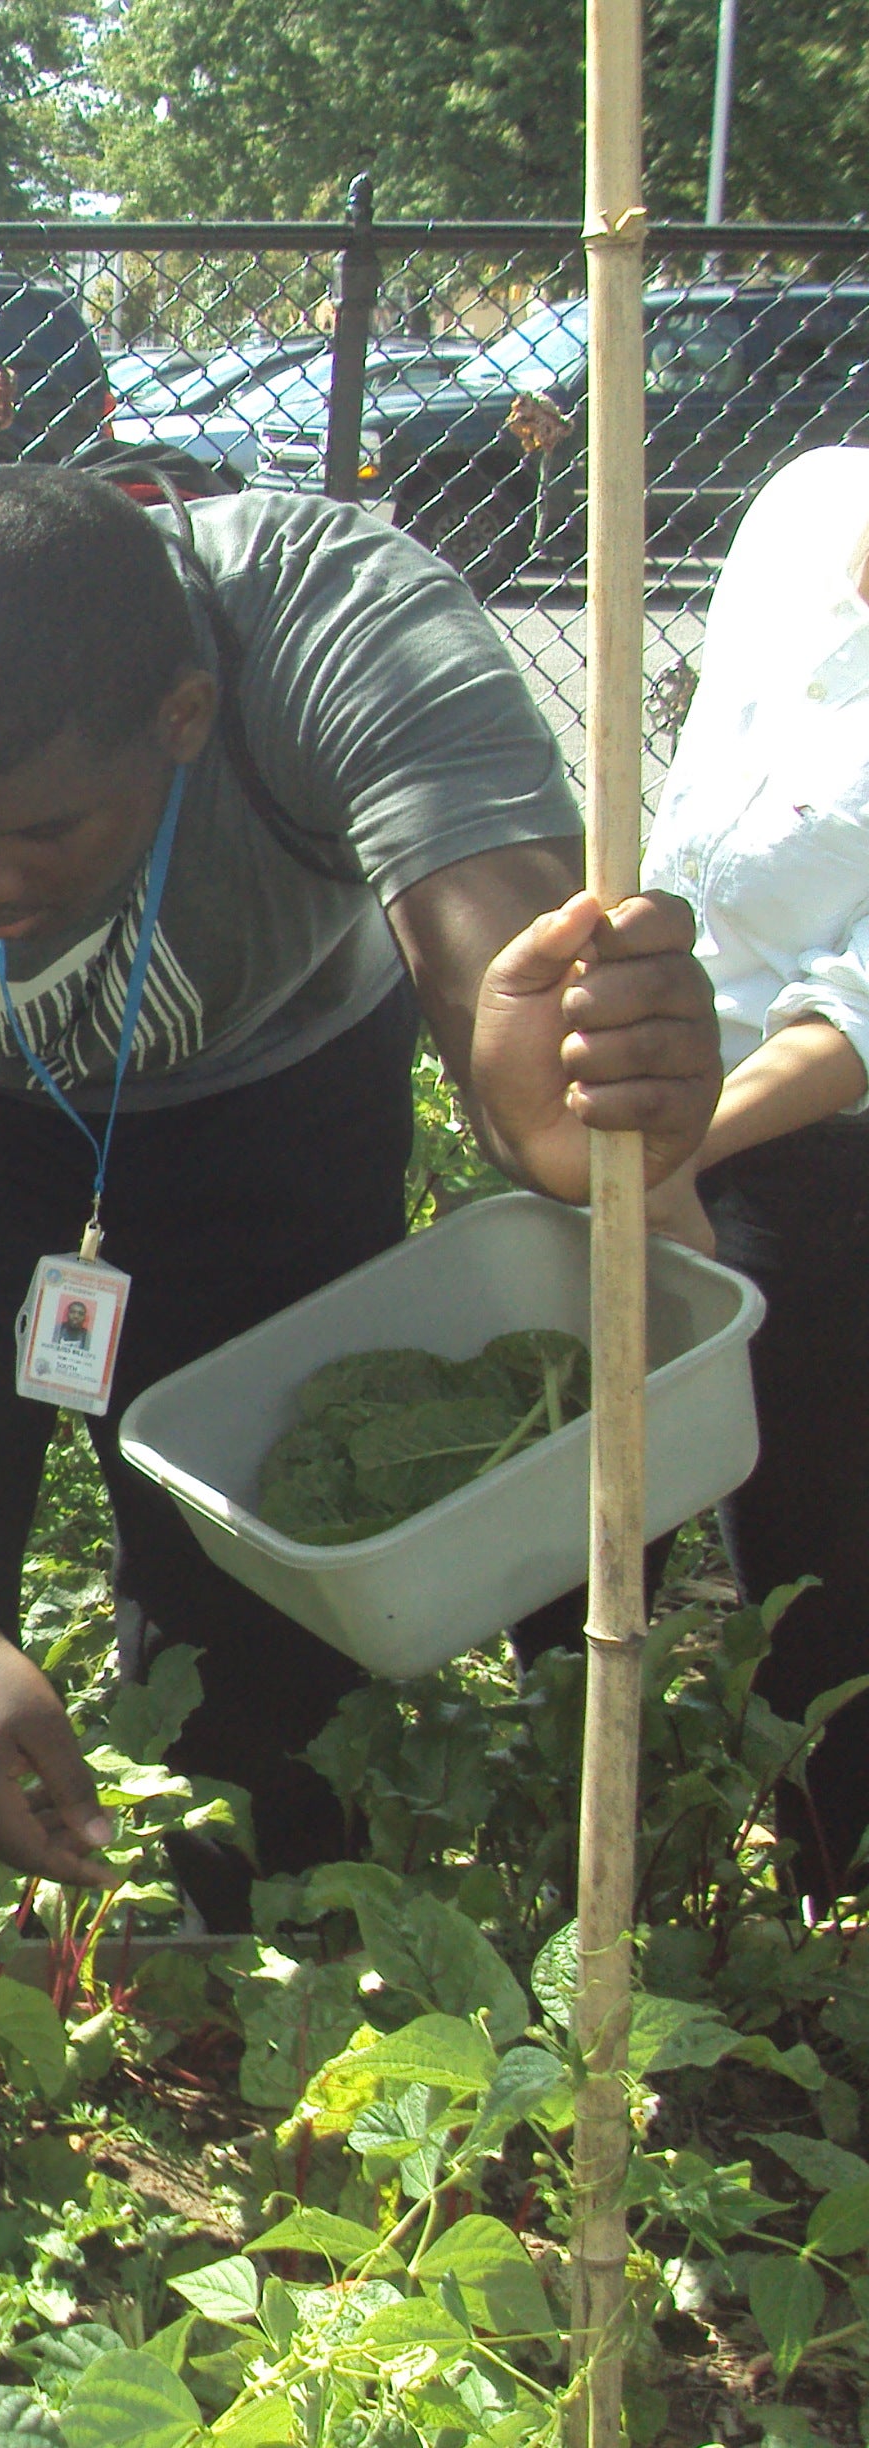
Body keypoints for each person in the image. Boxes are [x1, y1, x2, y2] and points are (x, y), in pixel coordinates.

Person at [0, 467, 721, 1927]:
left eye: (43, 832)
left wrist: (562, 1098)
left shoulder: (340, 627)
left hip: (274, 1091)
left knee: (254, 1617)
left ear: (183, 719)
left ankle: (242, 1971)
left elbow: (505, 975)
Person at [641, 446, 869, 1898]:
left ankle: (819, 1911)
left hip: (822, 1149)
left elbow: (857, 1009)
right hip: (671, 1106)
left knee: (810, 1567)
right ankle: (593, 1842)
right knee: (588, 1516)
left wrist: (665, 1146)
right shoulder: (802, 505)